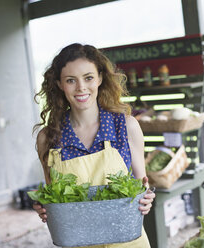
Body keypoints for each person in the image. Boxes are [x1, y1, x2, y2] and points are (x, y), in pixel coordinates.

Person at [33, 43, 156, 248]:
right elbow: (53, 196)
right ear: (59, 84)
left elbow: (141, 185)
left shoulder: (126, 127)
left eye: (88, 78)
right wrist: (44, 207)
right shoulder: (49, 138)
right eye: (71, 80)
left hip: (129, 243)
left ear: (99, 78)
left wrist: (146, 198)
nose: (81, 87)